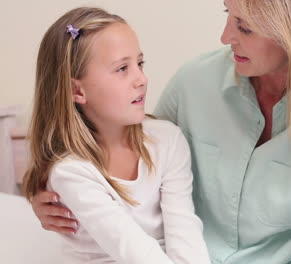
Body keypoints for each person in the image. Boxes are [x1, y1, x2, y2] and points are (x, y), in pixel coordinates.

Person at [30, 0, 291, 263]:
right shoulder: (195, 83)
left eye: (245, 27)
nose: (225, 37)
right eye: (228, 15)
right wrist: (43, 189)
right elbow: (124, 144)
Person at [22, 7, 211, 264]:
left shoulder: (167, 139)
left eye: (140, 63)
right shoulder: (72, 171)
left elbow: (185, 232)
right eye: (122, 68)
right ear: (76, 90)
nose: (141, 79)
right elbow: (132, 250)